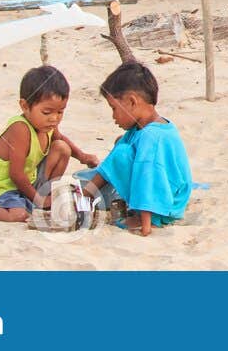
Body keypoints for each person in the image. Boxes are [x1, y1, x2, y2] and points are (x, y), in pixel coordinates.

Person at [0, 65, 98, 222]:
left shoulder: (47, 124)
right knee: (18, 215)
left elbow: (60, 139)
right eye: (47, 112)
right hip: (4, 187)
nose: (54, 118)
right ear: (25, 106)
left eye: (60, 112)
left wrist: (82, 156)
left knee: (62, 148)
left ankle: (45, 195)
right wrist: (38, 200)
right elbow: (16, 174)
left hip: (28, 181)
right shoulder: (20, 128)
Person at [80, 62, 193, 236]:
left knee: (122, 153)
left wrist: (145, 224)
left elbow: (148, 176)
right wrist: (86, 193)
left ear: (132, 102)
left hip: (167, 205)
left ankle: (147, 216)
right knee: (121, 145)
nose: (113, 116)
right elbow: (110, 163)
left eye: (114, 109)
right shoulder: (142, 126)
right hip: (164, 192)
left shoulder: (151, 137)